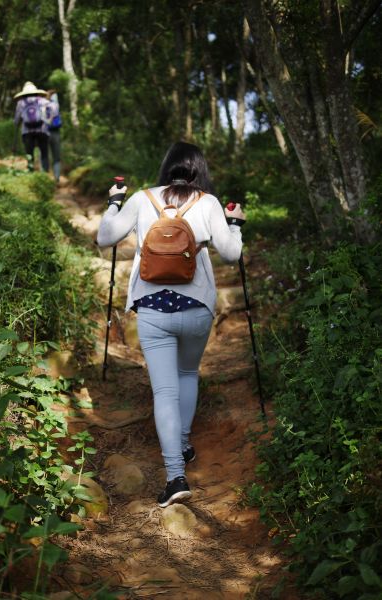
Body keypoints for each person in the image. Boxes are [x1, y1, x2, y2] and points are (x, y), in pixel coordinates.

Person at [97, 141, 245, 508]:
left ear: (166, 167)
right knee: (187, 374)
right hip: (196, 307)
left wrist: (115, 202)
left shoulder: (142, 199)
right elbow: (231, 253)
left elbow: (105, 238)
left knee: (164, 391)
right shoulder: (208, 203)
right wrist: (236, 225)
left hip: (151, 308)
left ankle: (175, 476)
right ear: (199, 170)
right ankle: (182, 441)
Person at [13, 82, 50, 173]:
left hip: (27, 132)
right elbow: (50, 114)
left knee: (29, 153)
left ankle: (31, 171)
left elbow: (17, 120)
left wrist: (17, 125)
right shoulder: (43, 101)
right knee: (44, 152)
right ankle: (44, 172)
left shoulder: (20, 103)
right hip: (42, 130)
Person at [45, 90, 62, 183]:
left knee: (44, 155)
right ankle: (57, 178)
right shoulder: (55, 104)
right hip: (55, 132)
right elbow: (56, 112)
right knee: (56, 156)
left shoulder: (42, 103)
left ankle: (45, 177)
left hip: (44, 132)